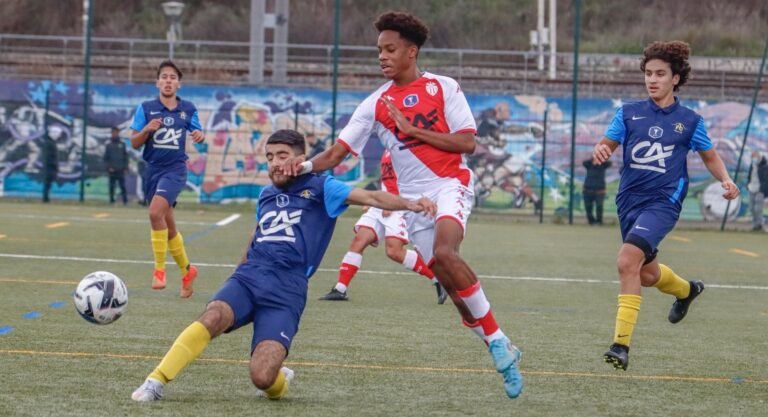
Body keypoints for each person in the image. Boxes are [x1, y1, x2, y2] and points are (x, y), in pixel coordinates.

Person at [281, 11, 522, 398]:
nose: (382, 56)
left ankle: (496, 341)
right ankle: (501, 343)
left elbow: (466, 143)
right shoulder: (374, 104)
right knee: (453, 289)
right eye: (379, 50)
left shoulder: (444, 87)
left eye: (390, 49)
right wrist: (304, 165)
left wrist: (412, 131)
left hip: (450, 184)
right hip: (415, 203)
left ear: (412, 51)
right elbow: (338, 153)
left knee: (445, 252)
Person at [131, 129, 436, 402]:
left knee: (263, 378)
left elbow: (369, 195)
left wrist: (410, 203)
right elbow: (257, 235)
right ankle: (155, 381)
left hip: (287, 291)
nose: (274, 162)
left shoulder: (322, 187)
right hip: (249, 278)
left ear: (302, 159)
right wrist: (238, 271)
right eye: (269, 157)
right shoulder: (266, 195)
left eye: (282, 155)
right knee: (213, 316)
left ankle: (280, 378)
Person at [592, 41, 739, 371]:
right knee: (645, 273)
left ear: (676, 78)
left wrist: (726, 181)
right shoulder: (628, 112)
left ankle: (620, 345)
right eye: (648, 73)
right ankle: (687, 290)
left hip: (663, 204)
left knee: (627, 260)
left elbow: (710, 156)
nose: (652, 80)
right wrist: (601, 150)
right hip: (628, 202)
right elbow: (606, 144)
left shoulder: (689, 121)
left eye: (660, 74)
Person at [319, 150, 448, 304]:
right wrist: (372, 200)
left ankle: (438, 279)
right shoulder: (388, 147)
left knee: (394, 252)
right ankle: (340, 289)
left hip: (398, 204)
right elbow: (386, 178)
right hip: (382, 203)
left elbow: (406, 180)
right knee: (358, 241)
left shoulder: (405, 150)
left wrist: (391, 203)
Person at [130, 60, 205, 298]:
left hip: (175, 170)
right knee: (168, 226)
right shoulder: (146, 108)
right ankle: (187, 271)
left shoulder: (188, 109)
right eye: (164, 76)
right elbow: (134, 142)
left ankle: (159, 270)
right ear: (157, 82)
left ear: (179, 84)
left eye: (173, 77)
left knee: (154, 213)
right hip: (153, 170)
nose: (168, 80)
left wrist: (199, 135)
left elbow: (198, 133)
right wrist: (147, 130)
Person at [582, 158, 612, 225]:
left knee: (599, 206)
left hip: (599, 191)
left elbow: (609, 163)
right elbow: (584, 162)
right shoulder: (589, 165)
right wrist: (592, 159)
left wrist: (601, 159)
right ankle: (591, 221)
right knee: (588, 207)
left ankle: (599, 221)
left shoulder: (603, 165)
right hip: (587, 190)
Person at [104, 127, 129, 205]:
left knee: (122, 186)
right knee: (112, 186)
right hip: (112, 170)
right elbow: (106, 158)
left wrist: (125, 167)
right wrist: (109, 167)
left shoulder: (122, 144)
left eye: (116, 132)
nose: (115, 134)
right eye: (114, 132)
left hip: (121, 169)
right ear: (112, 133)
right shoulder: (109, 145)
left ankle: (125, 202)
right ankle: (112, 201)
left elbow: (126, 157)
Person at [746, 151, 767, 231]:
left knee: (758, 208)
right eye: (752, 157)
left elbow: (765, 180)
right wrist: (748, 184)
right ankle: (755, 225)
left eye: (754, 157)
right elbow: (749, 176)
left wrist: (763, 190)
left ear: (759, 157)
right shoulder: (752, 165)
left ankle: (759, 225)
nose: (753, 159)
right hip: (751, 188)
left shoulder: (764, 166)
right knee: (751, 208)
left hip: (760, 189)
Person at [41, 133, 58, 203]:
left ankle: (46, 198)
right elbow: (50, 156)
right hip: (50, 166)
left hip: (49, 166)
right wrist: (54, 165)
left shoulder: (48, 143)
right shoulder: (50, 144)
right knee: (48, 182)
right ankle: (45, 198)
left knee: (48, 183)